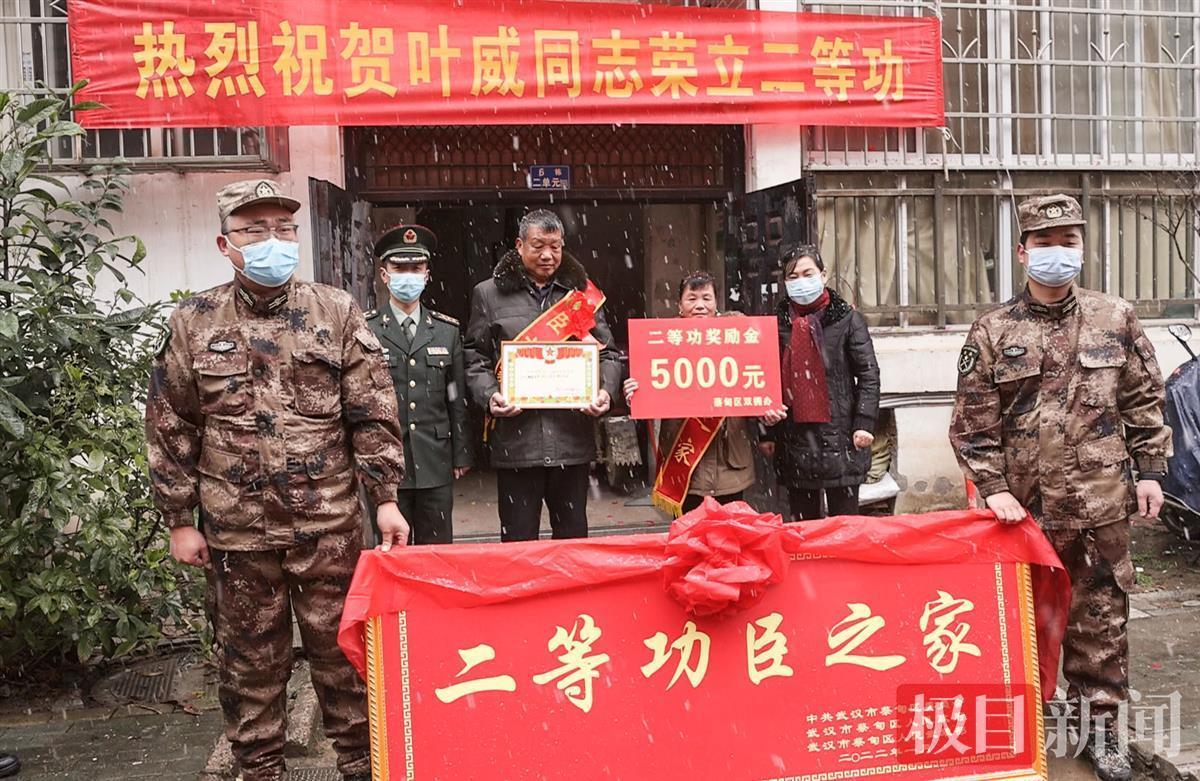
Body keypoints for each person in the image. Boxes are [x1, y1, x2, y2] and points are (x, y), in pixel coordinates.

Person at [145, 179, 409, 781]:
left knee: (344, 656)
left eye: (284, 229)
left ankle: (361, 765)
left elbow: (371, 410)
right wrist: (179, 520)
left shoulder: (335, 310)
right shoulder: (193, 320)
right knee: (249, 664)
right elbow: (171, 423)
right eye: (255, 230)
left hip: (329, 525)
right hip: (236, 532)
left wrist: (386, 498)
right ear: (226, 243)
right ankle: (259, 769)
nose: (273, 240)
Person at [949, 194, 1170, 781]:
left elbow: (1143, 400)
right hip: (1021, 515)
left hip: (1101, 504)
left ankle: (1101, 734)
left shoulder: (1115, 317)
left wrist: (1151, 470)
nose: (1056, 253)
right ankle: (1023, 729)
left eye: (1067, 242)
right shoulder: (993, 329)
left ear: (1082, 248)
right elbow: (973, 422)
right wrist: (993, 486)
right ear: (1022, 252)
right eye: (1043, 243)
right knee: (1021, 623)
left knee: (1100, 622)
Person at [464, 209, 622, 541]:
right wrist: (490, 395)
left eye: (555, 246)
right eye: (538, 246)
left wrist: (605, 391)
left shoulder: (581, 294)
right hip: (516, 445)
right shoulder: (488, 294)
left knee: (572, 540)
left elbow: (607, 353)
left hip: (571, 441)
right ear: (519, 245)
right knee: (519, 544)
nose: (547, 255)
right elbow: (474, 358)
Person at [365, 225, 472, 544]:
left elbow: (456, 397)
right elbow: (360, 401)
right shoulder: (366, 328)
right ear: (384, 275)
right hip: (386, 464)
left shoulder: (446, 330)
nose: (408, 276)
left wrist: (461, 453)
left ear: (427, 275)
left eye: (416, 268)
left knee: (437, 550)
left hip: (434, 459)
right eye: (400, 269)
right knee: (391, 549)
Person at [624, 271, 763, 515]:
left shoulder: (737, 335)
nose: (700, 305)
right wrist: (634, 394)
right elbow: (647, 392)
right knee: (689, 532)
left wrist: (768, 411)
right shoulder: (661, 341)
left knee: (729, 531)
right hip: (685, 460)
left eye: (706, 298)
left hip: (729, 459)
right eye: (692, 298)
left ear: (717, 303)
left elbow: (759, 383)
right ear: (679, 305)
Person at [761, 245, 880, 521]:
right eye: (793, 277)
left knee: (844, 528)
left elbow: (868, 375)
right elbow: (765, 379)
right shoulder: (775, 325)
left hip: (843, 440)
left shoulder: (847, 319)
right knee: (804, 530)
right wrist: (766, 431)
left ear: (823, 275)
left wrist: (864, 422)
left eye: (808, 274)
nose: (801, 282)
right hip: (795, 442)